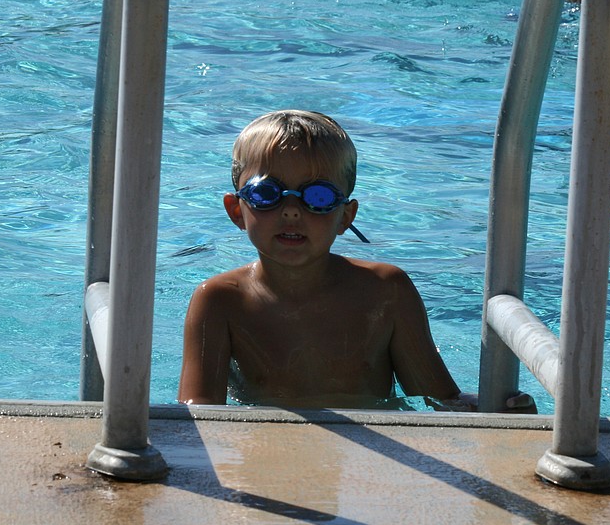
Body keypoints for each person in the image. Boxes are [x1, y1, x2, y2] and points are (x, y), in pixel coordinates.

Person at [178, 110, 535, 413]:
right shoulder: (220, 301)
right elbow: (196, 413)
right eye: (266, 193)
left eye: (317, 196)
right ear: (236, 210)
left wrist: (498, 413)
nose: (291, 211)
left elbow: (441, 400)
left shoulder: (385, 292)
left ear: (346, 216)